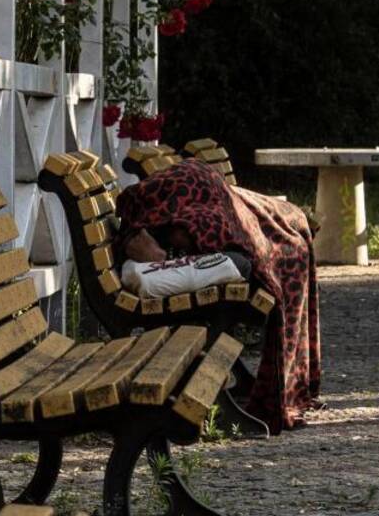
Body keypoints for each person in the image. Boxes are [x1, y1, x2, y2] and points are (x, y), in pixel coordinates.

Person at [114, 158, 321, 433]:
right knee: (255, 258)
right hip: (196, 211)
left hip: (203, 193)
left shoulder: (174, 217)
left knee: (272, 247)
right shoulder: (160, 237)